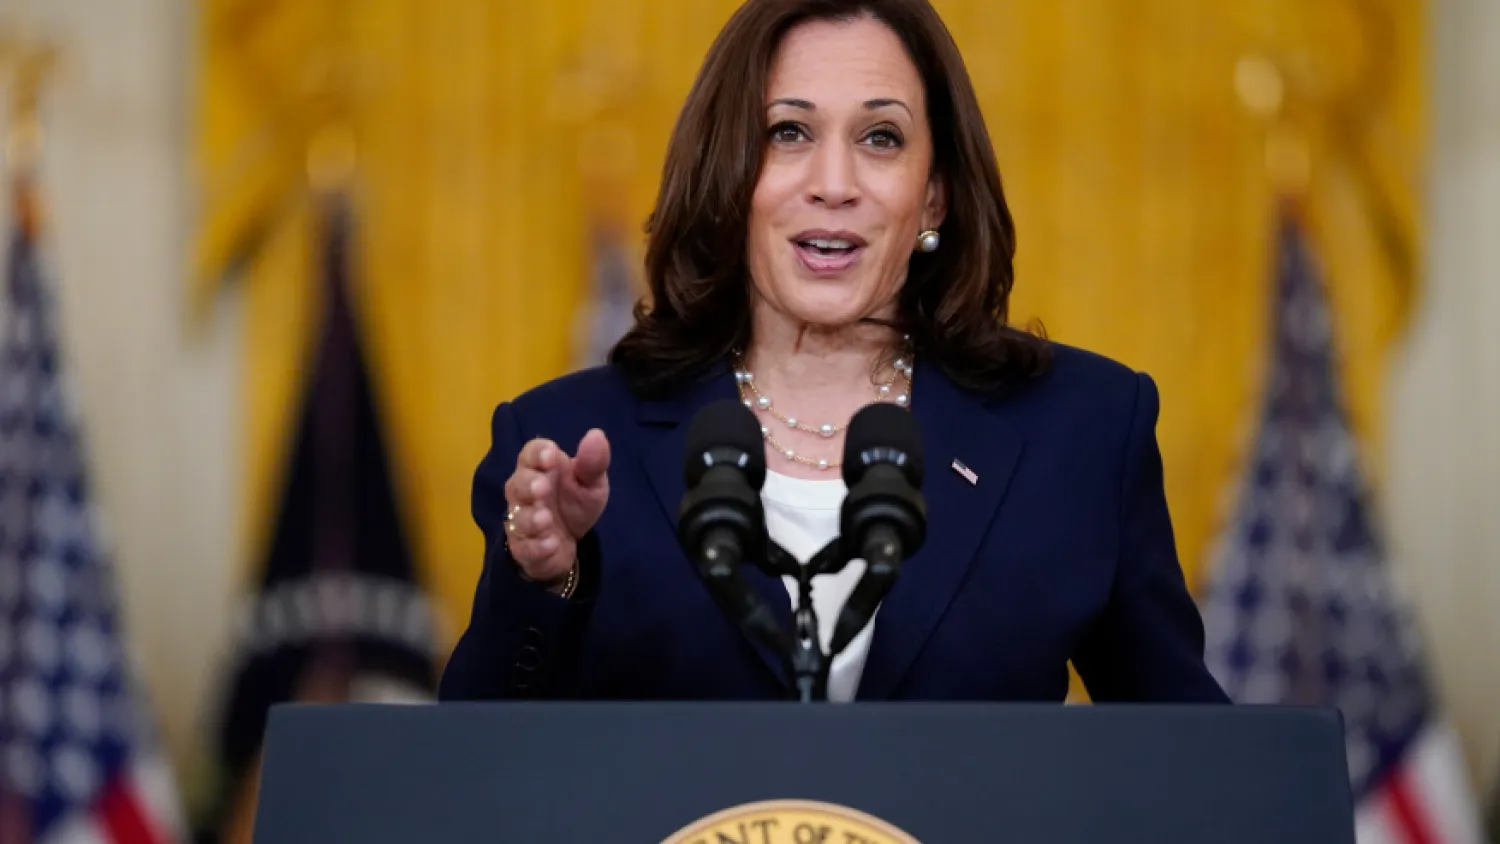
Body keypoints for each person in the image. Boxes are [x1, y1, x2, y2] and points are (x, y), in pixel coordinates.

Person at [439, 0, 1229, 704]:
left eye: (881, 137)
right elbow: (481, 781)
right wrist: (548, 579)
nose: (834, 182)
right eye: (789, 133)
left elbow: (1184, 767)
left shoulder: (1082, 432)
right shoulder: (569, 438)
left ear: (934, 195)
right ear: (728, 174)